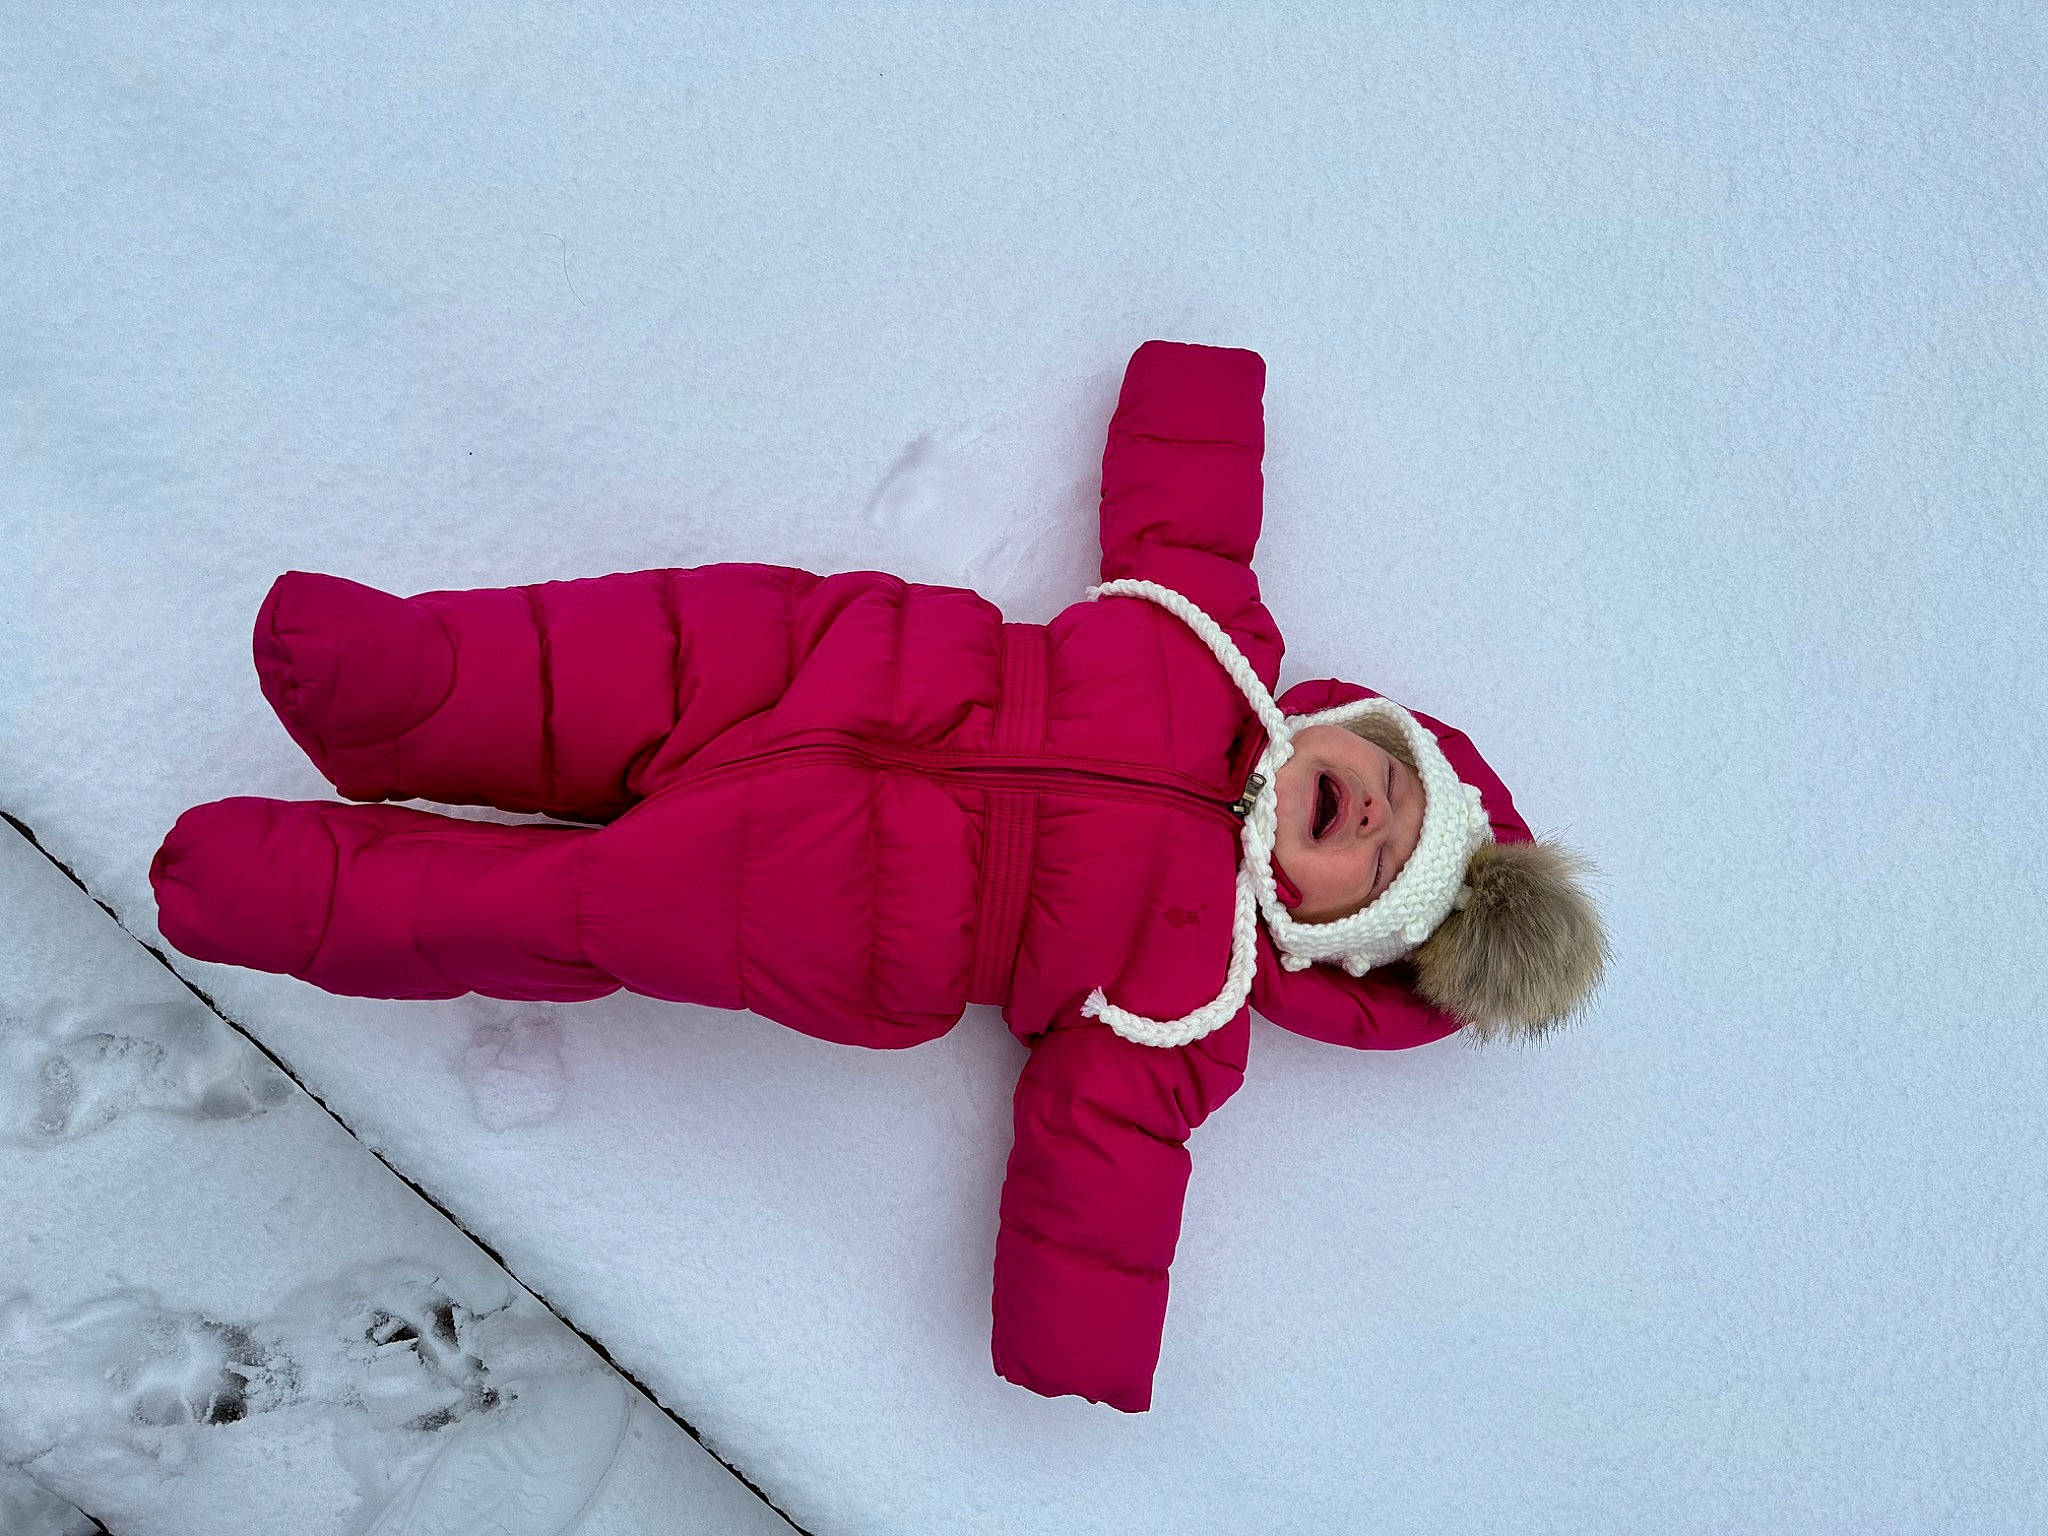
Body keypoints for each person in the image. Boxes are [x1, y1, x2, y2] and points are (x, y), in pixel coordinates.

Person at [150, 339, 1605, 1412]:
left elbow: (1110, 1152)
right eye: (1388, 787)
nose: (1371, 816)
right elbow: (1190, 514)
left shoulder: (1189, 1002)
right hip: (816, 657)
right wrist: (1205, 389)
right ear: (1357, 728)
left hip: (814, 907)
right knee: (585, 665)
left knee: (552, 909)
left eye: (1380, 862)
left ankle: (300, 888)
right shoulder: (1210, 644)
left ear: (1334, 936)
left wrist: (1080, 1326)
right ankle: (402, 683)